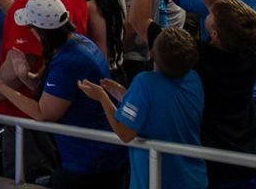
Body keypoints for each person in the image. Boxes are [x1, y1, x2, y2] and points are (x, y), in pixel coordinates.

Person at [0, 0, 120, 188]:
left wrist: (2, 86)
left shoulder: (69, 61)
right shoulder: (78, 42)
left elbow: (43, 113)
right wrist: (24, 76)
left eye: (30, 28)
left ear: (41, 32)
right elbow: (57, 93)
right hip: (95, 156)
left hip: (91, 161)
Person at [85, 25, 207, 189]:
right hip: (193, 178)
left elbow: (125, 133)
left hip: (158, 179)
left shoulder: (145, 82)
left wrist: (102, 97)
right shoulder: (194, 79)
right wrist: (127, 96)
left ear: (152, 54)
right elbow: (161, 106)